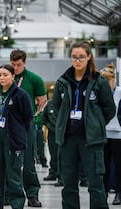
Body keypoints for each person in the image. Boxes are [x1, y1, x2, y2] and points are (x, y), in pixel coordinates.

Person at [52, 41, 115, 209]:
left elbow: (109, 109)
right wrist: (64, 123)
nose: (77, 60)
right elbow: (56, 106)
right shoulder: (62, 81)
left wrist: (96, 123)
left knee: (95, 185)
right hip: (68, 140)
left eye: (81, 57)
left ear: (89, 57)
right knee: (69, 186)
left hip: (91, 141)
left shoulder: (99, 81)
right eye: (74, 57)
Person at [0, 64, 33, 209]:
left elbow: (27, 118)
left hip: (12, 140)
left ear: (13, 76)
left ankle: (17, 205)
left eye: (5, 75)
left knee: (13, 177)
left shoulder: (21, 95)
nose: (2, 77)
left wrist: (16, 133)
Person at [7, 49, 46, 207]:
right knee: (10, 162)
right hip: (9, 126)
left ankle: (32, 195)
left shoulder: (34, 79)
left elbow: (42, 100)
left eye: (19, 65)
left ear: (25, 62)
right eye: (13, 65)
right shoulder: (4, 78)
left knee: (29, 162)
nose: (15, 68)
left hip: (26, 126)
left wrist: (34, 115)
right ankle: (10, 194)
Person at [101, 64, 121, 205]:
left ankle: (119, 193)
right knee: (104, 166)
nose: (107, 84)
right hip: (103, 134)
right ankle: (104, 192)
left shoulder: (120, 92)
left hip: (119, 134)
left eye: (108, 80)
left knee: (119, 166)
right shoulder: (99, 93)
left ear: (114, 80)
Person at [42, 99, 63, 186]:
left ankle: (62, 176)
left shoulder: (66, 102)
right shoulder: (50, 104)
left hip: (63, 133)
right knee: (53, 154)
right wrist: (49, 126)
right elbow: (44, 118)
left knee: (62, 156)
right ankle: (53, 173)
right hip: (52, 132)